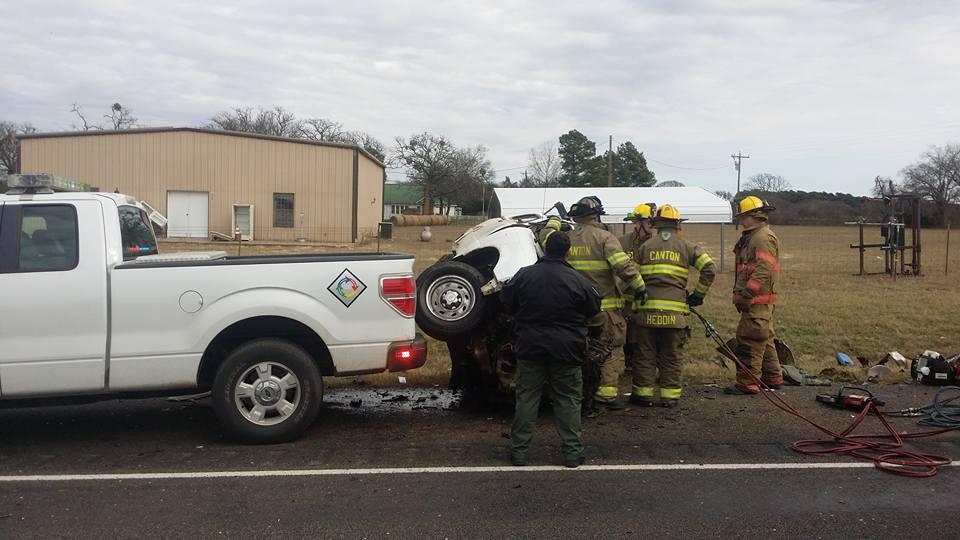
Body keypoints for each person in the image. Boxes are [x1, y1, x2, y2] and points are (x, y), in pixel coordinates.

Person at [503, 231, 601, 468]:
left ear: (545, 249)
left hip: (531, 347)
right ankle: (572, 454)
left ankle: (518, 452)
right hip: (567, 350)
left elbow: (507, 301)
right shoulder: (578, 280)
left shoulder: (525, 275)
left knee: (527, 398)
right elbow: (593, 309)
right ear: (568, 252)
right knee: (568, 399)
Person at [539, 196, 645, 414]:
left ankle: (577, 395)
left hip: (573, 311)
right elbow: (622, 266)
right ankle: (605, 396)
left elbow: (545, 237)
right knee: (611, 349)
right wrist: (640, 287)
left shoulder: (564, 238)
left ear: (575, 217)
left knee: (579, 352)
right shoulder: (605, 237)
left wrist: (552, 222)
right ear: (596, 215)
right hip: (604, 309)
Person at [631, 205, 716, 407]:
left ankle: (643, 395)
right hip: (675, 314)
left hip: (647, 312)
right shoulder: (687, 247)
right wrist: (698, 295)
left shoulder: (644, 247)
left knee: (645, 354)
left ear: (655, 224)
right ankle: (669, 398)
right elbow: (709, 269)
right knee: (672, 356)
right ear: (678, 224)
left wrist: (636, 297)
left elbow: (632, 277)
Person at [725, 196, 783, 395]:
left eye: (743, 216)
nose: (740, 220)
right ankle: (772, 377)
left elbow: (763, 268)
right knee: (764, 337)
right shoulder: (754, 236)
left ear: (755, 216)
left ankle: (746, 383)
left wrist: (747, 293)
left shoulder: (762, 238)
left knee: (749, 338)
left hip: (756, 299)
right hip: (759, 300)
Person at [618, 203, 657, 378]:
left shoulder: (655, 244)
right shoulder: (622, 242)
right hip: (626, 297)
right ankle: (628, 363)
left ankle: (642, 363)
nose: (652, 227)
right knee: (627, 332)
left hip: (647, 297)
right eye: (649, 223)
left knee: (645, 333)